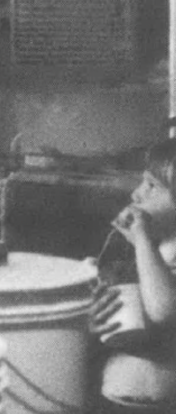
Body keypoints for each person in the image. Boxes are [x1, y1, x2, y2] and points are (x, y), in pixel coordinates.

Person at [89, 138, 176, 413]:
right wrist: (94, 315)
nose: (136, 194)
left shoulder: (148, 248)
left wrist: (142, 240)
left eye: (152, 185)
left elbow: (163, 310)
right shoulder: (146, 250)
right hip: (113, 398)